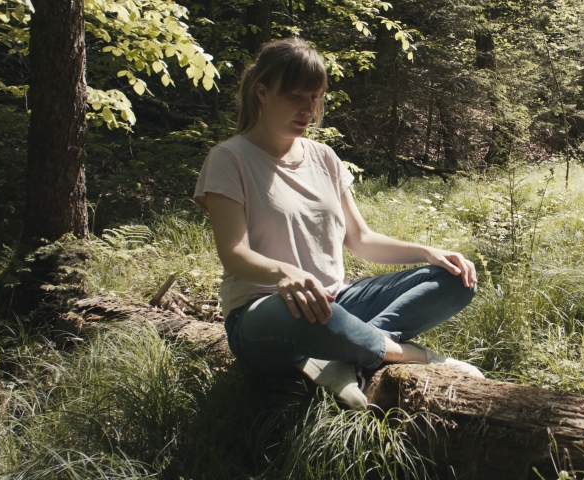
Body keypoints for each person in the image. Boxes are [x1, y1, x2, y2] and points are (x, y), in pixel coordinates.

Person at [193, 38, 483, 409]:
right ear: (262, 93)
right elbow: (233, 254)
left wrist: (430, 252)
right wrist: (284, 273)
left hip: (336, 304)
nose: (307, 108)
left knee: (456, 278)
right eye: (295, 96)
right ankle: (412, 356)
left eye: (314, 97)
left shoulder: (324, 157)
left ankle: (338, 356)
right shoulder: (229, 159)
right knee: (292, 310)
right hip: (265, 315)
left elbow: (360, 239)